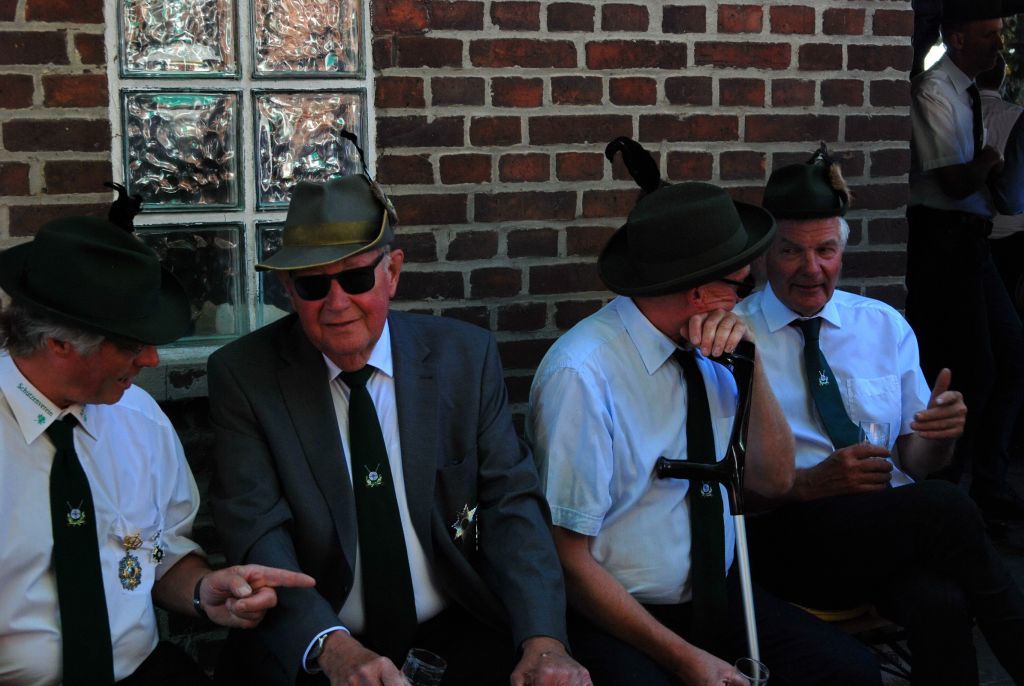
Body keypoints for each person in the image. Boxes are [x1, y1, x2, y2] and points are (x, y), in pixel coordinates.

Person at [207, 173, 590, 686]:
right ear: (289, 291)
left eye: (356, 279)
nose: (337, 303)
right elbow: (257, 532)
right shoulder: (245, 377)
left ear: (392, 272)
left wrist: (543, 639)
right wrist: (331, 646)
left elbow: (510, 505)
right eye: (314, 285)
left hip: (455, 632)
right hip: (317, 641)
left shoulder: (463, 358)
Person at [528, 175, 881, 686]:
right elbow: (568, 559)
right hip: (619, 615)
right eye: (742, 286)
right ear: (700, 293)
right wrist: (685, 658)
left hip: (718, 596)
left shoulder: (714, 349)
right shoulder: (583, 373)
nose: (744, 300)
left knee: (847, 671)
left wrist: (754, 366)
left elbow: (775, 480)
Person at [734, 148, 1024, 686]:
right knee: (946, 504)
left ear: (841, 250)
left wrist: (938, 435)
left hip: (883, 528)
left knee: (942, 601)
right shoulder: (733, 337)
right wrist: (807, 484)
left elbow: (917, 461)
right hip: (787, 537)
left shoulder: (882, 325)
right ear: (763, 256)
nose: (811, 269)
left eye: (825, 250)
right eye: (791, 251)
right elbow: (716, 487)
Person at [0, 215, 315, 686]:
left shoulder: (140, 418)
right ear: (59, 342)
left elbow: (159, 553)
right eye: (132, 343)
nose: (151, 359)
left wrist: (203, 591)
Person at [906, 0, 1024, 521]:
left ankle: (989, 482)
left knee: (1011, 355)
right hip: (944, 240)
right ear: (956, 38)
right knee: (969, 365)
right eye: (988, 35)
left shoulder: (967, 92)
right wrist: (990, 159)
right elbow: (954, 182)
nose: (999, 45)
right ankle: (948, 490)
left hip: (974, 240)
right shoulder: (934, 91)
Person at [978, 54, 1024, 314]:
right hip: (1013, 231)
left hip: (969, 229)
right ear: (1002, 79)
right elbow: (1012, 198)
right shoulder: (1017, 116)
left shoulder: (959, 113)